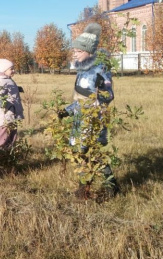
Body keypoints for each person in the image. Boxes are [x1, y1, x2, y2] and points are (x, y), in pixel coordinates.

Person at [61, 23, 118, 195]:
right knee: (80, 151)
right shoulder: (81, 71)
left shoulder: (101, 70)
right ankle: (83, 187)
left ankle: (111, 186)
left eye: (78, 51)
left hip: (95, 120)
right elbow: (80, 98)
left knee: (94, 151)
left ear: (88, 52)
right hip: (80, 119)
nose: (75, 54)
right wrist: (67, 110)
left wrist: (102, 92)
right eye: (74, 51)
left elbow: (109, 95)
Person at [0, 59, 24, 159]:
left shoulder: (7, 79)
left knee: (12, 136)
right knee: (2, 138)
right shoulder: (0, 81)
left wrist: (17, 89)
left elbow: (8, 91)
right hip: (6, 115)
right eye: (11, 69)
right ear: (4, 70)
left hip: (12, 114)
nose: (13, 71)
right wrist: (3, 103)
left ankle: (6, 156)